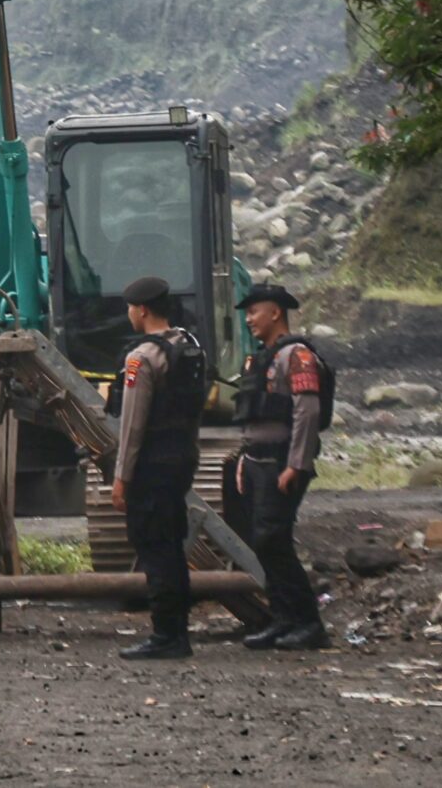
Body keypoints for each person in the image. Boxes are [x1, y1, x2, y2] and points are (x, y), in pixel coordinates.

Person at [108, 274, 207, 660]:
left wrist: (121, 478)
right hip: (182, 457)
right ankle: (176, 630)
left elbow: (133, 424)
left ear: (143, 309)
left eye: (131, 308)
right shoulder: (188, 346)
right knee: (172, 545)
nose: (129, 315)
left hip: (151, 464)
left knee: (154, 547)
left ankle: (167, 635)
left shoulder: (142, 357)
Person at [231, 282, 328, 649]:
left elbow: (308, 411)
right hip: (257, 461)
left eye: (254, 311)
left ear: (275, 312)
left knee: (273, 539)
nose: (249, 319)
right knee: (264, 542)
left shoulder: (297, 355)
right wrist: (244, 458)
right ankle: (283, 620)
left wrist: (296, 464)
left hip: (281, 462)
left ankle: (308, 623)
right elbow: (251, 416)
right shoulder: (261, 356)